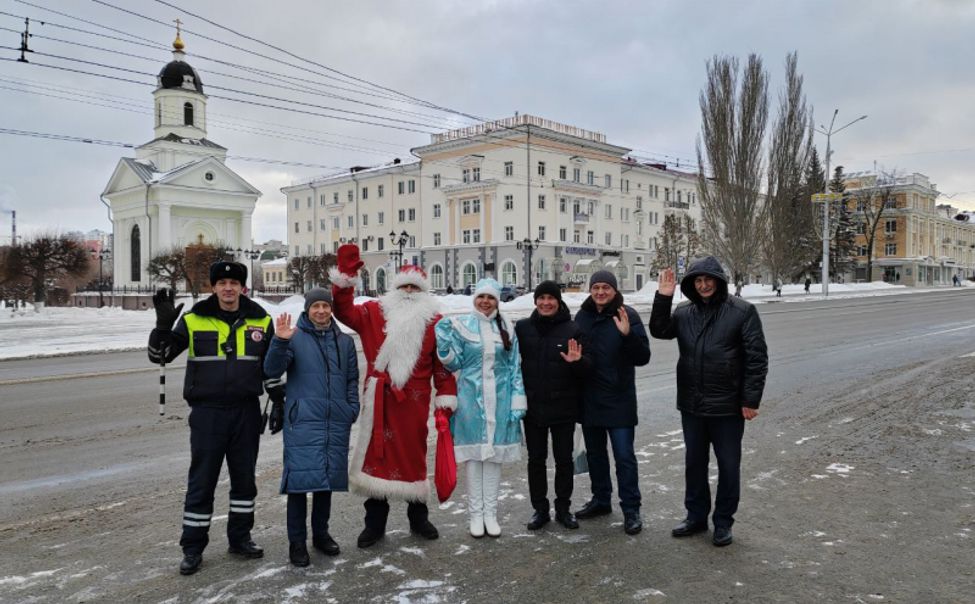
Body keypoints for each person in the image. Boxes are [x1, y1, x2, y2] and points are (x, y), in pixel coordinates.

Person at [148, 261, 282, 576]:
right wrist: (163, 327)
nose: (228, 288)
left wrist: (278, 400)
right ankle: (193, 548)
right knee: (202, 482)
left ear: (243, 287)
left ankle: (240, 538)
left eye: (234, 283)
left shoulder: (261, 320)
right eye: (221, 282)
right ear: (213, 287)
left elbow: (271, 367)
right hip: (207, 414)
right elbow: (160, 355)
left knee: (245, 481)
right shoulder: (193, 319)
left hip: (246, 412)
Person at [329, 244, 458, 549]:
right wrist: (346, 276)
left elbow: (442, 368)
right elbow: (343, 310)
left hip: (413, 404)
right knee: (378, 456)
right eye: (404, 286)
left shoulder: (436, 323)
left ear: (424, 292)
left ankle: (418, 517)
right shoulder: (373, 312)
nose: (409, 292)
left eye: (415, 287)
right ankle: (374, 523)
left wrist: (446, 399)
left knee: (413, 457)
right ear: (395, 289)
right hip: (380, 401)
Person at [649, 258, 768, 547]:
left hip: (727, 406)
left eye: (708, 280)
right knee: (694, 463)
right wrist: (663, 297)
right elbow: (659, 329)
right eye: (697, 281)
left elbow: (757, 358)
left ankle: (724, 521)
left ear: (718, 280)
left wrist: (750, 400)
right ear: (691, 284)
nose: (703, 285)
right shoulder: (684, 312)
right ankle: (696, 516)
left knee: (728, 466)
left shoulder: (741, 312)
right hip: (692, 404)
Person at [263, 288, 359, 567]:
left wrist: (351, 409)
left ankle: (321, 534)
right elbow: (271, 369)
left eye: (325, 306)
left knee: (325, 480)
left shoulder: (344, 341)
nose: (321, 311)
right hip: (303, 420)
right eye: (315, 306)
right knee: (298, 483)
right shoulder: (294, 337)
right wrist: (279, 342)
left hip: (335, 419)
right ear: (307, 309)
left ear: (331, 309)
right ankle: (297, 542)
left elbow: (352, 378)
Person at [435, 278, 527, 538]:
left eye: (490, 298)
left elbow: (514, 366)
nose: (485, 302)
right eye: (481, 297)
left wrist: (517, 399)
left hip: (500, 400)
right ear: (474, 299)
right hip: (470, 402)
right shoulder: (463, 325)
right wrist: (444, 345)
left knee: (494, 459)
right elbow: (454, 364)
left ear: (497, 301)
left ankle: (491, 514)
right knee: (475, 459)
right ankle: (476, 515)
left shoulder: (507, 327)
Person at [573, 270, 651, 535]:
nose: (600, 292)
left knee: (624, 457)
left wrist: (628, 335)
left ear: (615, 291)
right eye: (596, 287)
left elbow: (643, 357)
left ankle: (631, 510)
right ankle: (601, 500)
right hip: (589, 398)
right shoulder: (582, 316)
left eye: (606, 287)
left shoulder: (627, 314)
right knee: (595, 456)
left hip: (619, 399)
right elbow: (578, 356)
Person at [514, 280, 590, 531]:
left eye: (551, 298)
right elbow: (511, 362)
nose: (546, 303)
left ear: (559, 301)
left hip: (563, 408)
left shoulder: (573, 329)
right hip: (533, 407)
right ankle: (540, 509)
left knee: (563, 460)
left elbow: (587, 369)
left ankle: (564, 508)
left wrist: (577, 362)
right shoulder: (523, 328)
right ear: (536, 301)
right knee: (536, 459)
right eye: (541, 298)